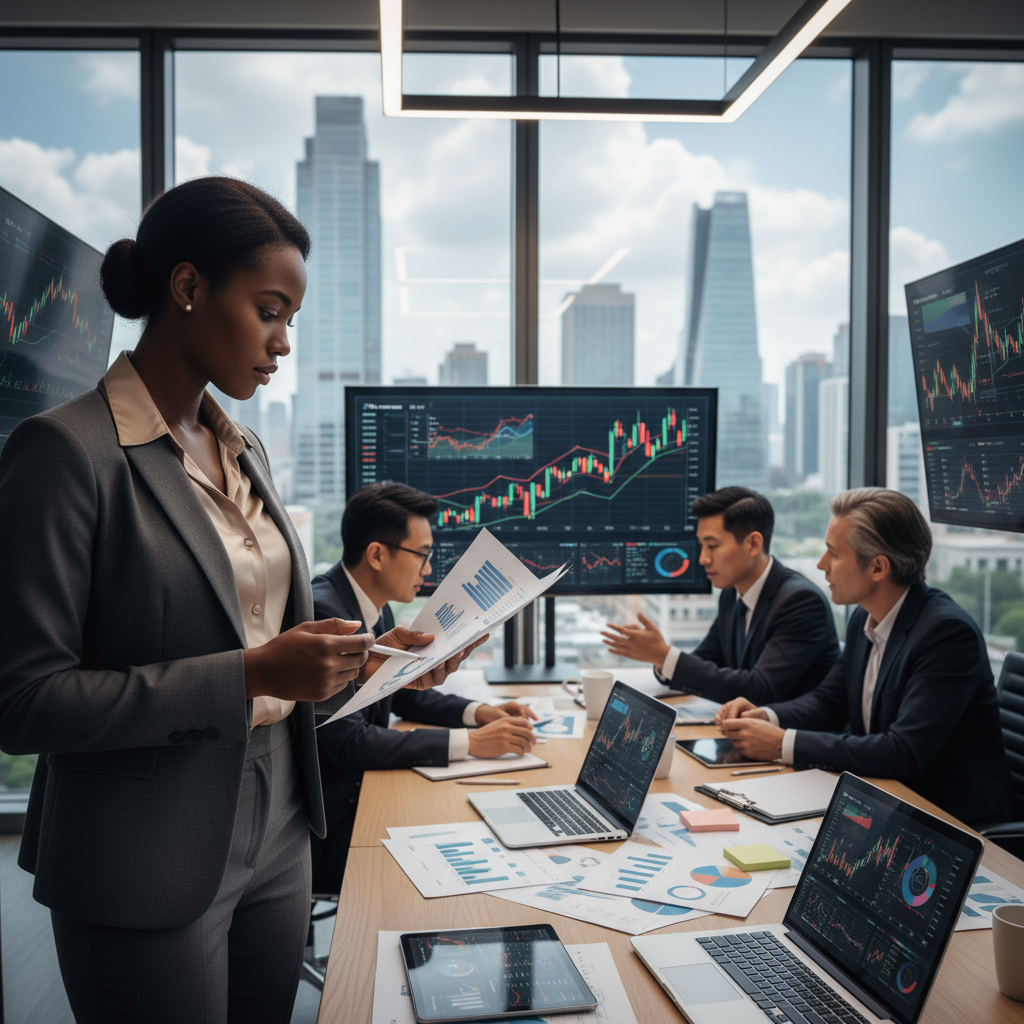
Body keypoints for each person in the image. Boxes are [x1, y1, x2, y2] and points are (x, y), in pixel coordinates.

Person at [0, 177, 482, 1024]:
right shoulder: (64, 453)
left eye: (290, 319)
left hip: (283, 814)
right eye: (270, 311)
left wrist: (368, 652)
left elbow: (258, 628)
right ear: (187, 289)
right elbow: (24, 701)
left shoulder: (244, 445)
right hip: (145, 840)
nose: (283, 343)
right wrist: (252, 672)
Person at [717, 487, 1013, 828]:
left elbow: (902, 752)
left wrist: (783, 744)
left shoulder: (946, 634)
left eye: (833, 553)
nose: (821, 565)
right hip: (884, 802)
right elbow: (829, 702)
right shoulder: (864, 616)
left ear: (877, 567)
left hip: (951, 823)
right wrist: (767, 716)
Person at [311, 482, 539, 890]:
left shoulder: (367, 606)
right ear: (377, 554)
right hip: (332, 828)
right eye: (423, 555)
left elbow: (396, 691)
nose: (429, 570)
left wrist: (478, 713)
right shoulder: (328, 614)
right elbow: (349, 743)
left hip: (362, 799)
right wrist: (471, 744)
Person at [601, 487, 839, 706]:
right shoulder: (731, 592)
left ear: (753, 544)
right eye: (701, 546)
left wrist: (665, 654)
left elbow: (760, 689)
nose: (703, 559)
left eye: (712, 546)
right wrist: (660, 657)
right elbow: (708, 659)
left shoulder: (801, 602)